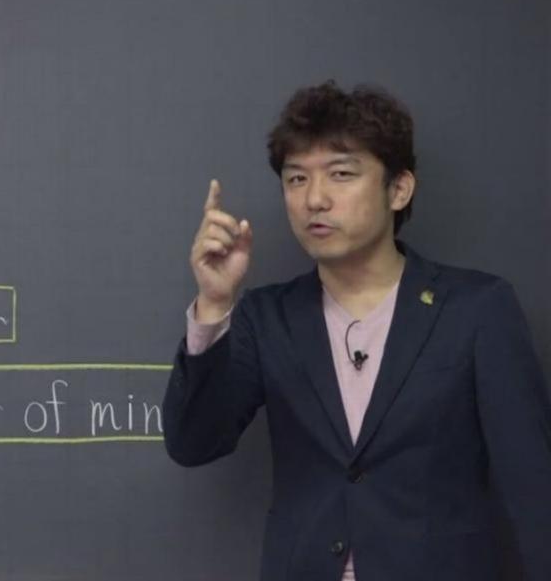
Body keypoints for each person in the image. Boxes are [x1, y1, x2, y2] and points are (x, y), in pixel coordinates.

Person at [162, 79, 551, 581]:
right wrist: (215, 304)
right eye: (296, 179)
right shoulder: (267, 315)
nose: (314, 199)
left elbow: (532, 486)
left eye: (341, 174)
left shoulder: (477, 308)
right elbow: (193, 443)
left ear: (399, 189)